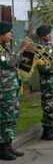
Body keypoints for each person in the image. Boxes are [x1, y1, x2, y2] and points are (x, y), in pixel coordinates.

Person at [0, 21, 31, 160]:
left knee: (12, 118)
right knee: (5, 119)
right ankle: (2, 148)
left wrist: (24, 51)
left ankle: (9, 145)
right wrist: (22, 48)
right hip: (4, 90)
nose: (11, 35)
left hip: (11, 89)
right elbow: (9, 62)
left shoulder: (5, 46)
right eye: (8, 33)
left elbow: (16, 61)